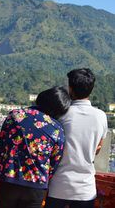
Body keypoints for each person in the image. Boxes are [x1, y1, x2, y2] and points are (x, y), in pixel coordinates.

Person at [0, 86, 71, 208]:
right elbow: (54, 162)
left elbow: (2, 144)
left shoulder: (14, 116)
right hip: (36, 186)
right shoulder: (57, 129)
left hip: (9, 180)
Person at [45, 68, 108, 208]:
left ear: (70, 89)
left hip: (58, 187)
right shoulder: (101, 116)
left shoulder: (61, 114)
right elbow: (98, 148)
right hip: (86, 190)